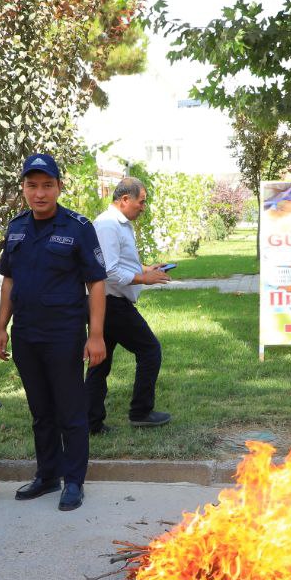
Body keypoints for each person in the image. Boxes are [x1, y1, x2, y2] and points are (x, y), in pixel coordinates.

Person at [0, 153, 108, 512]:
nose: (39, 193)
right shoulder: (16, 228)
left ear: (58, 187)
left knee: (70, 409)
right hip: (27, 333)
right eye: (32, 185)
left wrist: (96, 335)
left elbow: (97, 283)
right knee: (40, 409)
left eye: (47, 185)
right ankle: (47, 475)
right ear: (24, 188)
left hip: (64, 333)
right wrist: (1, 326)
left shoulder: (78, 227)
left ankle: (73, 481)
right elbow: (9, 279)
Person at [84, 177, 172, 435]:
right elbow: (107, 270)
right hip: (111, 304)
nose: (143, 207)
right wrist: (144, 278)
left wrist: (145, 268)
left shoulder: (119, 223)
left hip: (112, 303)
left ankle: (91, 422)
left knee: (100, 362)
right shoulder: (108, 224)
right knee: (150, 350)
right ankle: (141, 412)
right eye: (141, 201)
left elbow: (119, 260)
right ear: (124, 200)